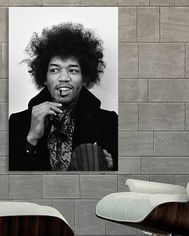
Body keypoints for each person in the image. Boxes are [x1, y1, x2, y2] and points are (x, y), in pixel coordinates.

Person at [9, 22, 118, 171]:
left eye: (73, 70)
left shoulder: (109, 122)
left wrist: (109, 168)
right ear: (44, 77)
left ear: (84, 77)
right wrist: (32, 137)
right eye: (54, 70)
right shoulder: (17, 122)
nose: (64, 78)